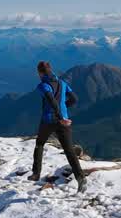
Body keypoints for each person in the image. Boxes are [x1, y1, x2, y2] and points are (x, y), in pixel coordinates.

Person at [29, 61, 87, 192]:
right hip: (64, 121)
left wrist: (59, 117)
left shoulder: (43, 86)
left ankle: (36, 173)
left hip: (49, 120)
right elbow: (74, 99)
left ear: (40, 72)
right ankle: (81, 178)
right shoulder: (63, 83)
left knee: (40, 144)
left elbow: (51, 101)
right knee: (69, 150)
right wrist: (64, 112)